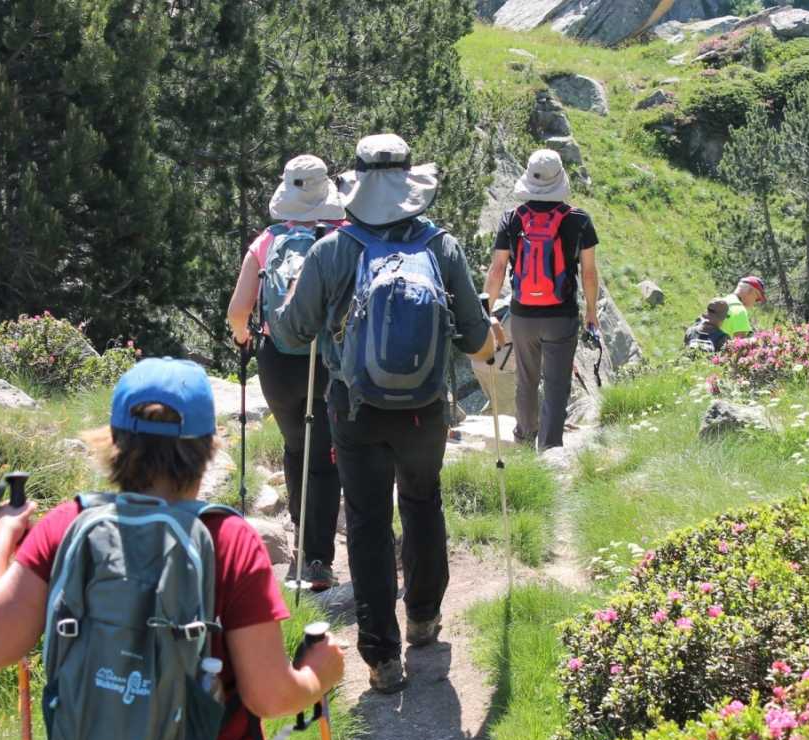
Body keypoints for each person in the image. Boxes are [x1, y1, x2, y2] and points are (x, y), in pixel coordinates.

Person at [0, 358, 344, 740]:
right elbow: (269, 697)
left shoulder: (66, 527)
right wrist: (320, 674)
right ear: (208, 449)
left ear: (114, 443)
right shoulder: (227, 539)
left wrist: (2, 537)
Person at [271, 134, 499, 693]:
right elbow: (474, 336)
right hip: (424, 409)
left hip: (354, 408)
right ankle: (423, 617)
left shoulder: (333, 249)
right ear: (409, 184)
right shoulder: (440, 247)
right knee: (423, 502)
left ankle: (382, 657)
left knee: (369, 520)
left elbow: (291, 329)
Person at [227, 155, 345, 590]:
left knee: (296, 446)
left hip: (277, 360)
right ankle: (318, 558)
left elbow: (237, 312)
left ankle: (299, 537)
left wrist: (245, 338)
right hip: (328, 359)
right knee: (327, 456)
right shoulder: (343, 238)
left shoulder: (266, 242)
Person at [485, 148, 600, 450]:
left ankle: (524, 440)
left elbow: (498, 269)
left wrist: (486, 310)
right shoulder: (579, 220)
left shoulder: (512, 218)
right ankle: (550, 449)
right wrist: (591, 311)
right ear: (560, 178)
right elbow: (588, 273)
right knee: (557, 385)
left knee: (526, 380)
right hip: (561, 315)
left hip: (523, 315)